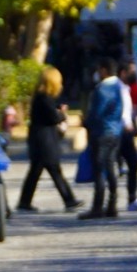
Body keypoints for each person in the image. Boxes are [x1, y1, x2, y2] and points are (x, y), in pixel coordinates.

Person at [17, 67, 82, 213]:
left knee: (35, 172)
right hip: (44, 141)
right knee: (54, 170)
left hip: (40, 139)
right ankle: (69, 200)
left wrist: (58, 110)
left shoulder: (42, 97)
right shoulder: (43, 98)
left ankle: (24, 201)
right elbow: (53, 117)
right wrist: (63, 114)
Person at [79, 61, 126, 220]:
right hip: (115, 131)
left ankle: (97, 206)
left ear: (104, 70)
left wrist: (86, 122)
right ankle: (112, 204)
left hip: (101, 132)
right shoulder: (118, 88)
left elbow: (96, 114)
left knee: (99, 170)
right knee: (111, 166)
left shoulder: (101, 89)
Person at [118, 62, 137, 211]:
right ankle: (107, 200)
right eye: (132, 71)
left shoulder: (127, 88)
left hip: (126, 132)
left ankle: (132, 198)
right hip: (118, 132)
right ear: (123, 72)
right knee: (110, 167)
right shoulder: (116, 88)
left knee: (133, 163)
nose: (134, 74)